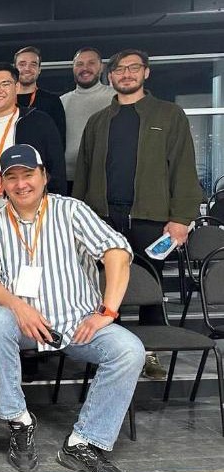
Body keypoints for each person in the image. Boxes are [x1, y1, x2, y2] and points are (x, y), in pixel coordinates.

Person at [0, 143, 145, 472]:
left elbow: (116, 252)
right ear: (2, 184)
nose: (21, 184)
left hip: (79, 323)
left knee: (130, 350)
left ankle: (83, 442)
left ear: (44, 176)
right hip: (24, 326)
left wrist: (107, 311)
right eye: (12, 177)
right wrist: (19, 307)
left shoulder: (71, 210)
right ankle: (19, 420)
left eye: (28, 174)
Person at [73, 48, 203, 379]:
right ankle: (107, 353)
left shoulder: (169, 115)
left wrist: (181, 219)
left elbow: (184, 169)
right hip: (103, 221)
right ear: (110, 76)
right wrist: (78, 219)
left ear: (146, 72)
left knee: (151, 292)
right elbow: (84, 174)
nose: (126, 74)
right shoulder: (98, 121)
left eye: (133, 68)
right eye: (119, 69)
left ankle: (150, 354)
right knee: (102, 289)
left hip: (151, 220)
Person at [0, 62, 66, 210]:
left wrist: (52, 210)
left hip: (31, 211)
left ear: (17, 87)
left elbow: (56, 170)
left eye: (5, 84)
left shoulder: (39, 122)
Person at [60, 47, 112, 194]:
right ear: (73, 68)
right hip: (69, 180)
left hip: (106, 179)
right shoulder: (62, 102)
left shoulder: (116, 98)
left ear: (101, 67)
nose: (85, 68)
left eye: (91, 63)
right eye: (79, 64)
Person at [14, 46, 67, 147]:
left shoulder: (52, 101)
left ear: (39, 70)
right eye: (22, 64)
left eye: (33, 64)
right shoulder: (4, 99)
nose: (27, 69)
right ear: (14, 69)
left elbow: (59, 142)